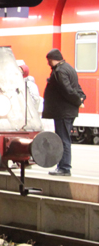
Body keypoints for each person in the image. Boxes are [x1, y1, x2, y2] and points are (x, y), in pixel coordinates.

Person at [42, 48, 85, 176]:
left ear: (51, 59)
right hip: (68, 111)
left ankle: (64, 167)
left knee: (62, 139)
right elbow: (77, 88)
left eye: (48, 61)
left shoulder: (59, 72)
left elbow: (67, 90)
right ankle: (63, 166)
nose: (48, 63)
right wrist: (81, 97)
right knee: (64, 138)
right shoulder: (69, 68)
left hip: (63, 111)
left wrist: (78, 101)